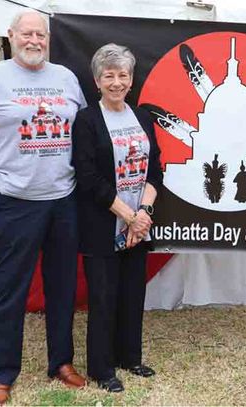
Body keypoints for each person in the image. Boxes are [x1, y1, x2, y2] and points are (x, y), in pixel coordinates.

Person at [0, 9, 87, 405]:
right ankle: (1, 374)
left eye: (41, 35)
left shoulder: (66, 78)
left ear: (48, 39)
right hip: (15, 201)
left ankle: (61, 362)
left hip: (63, 199)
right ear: (11, 35)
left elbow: (83, 135)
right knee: (9, 290)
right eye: (27, 34)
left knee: (62, 285)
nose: (34, 41)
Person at [72, 43, 163, 392]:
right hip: (103, 224)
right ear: (97, 81)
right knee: (104, 296)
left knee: (131, 293)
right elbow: (88, 176)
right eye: (108, 75)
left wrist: (143, 215)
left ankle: (130, 357)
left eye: (122, 75)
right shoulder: (86, 120)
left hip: (138, 223)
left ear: (131, 79)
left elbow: (155, 170)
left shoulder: (141, 117)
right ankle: (102, 367)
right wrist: (127, 215)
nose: (116, 82)